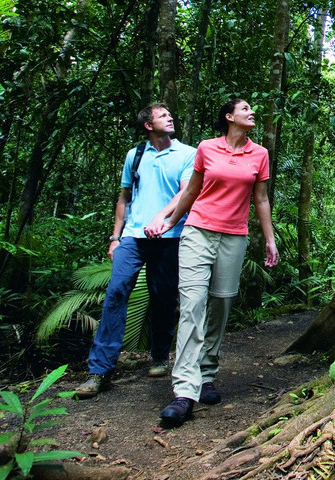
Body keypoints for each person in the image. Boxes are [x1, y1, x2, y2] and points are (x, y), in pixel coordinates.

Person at [145, 98, 279, 427]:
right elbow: (191, 191)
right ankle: (184, 392)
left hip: (234, 237)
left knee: (220, 304)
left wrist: (270, 239)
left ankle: (206, 374)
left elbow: (260, 198)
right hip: (198, 232)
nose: (252, 112)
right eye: (245, 108)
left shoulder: (259, 154)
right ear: (229, 117)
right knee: (192, 304)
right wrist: (169, 220)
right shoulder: (206, 148)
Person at [75, 104, 196, 399]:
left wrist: (165, 222)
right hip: (133, 236)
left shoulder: (187, 153)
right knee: (116, 293)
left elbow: (185, 193)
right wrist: (115, 237)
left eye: (170, 113)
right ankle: (100, 369)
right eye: (163, 115)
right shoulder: (136, 155)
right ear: (148, 125)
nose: (170, 117)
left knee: (163, 297)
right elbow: (124, 198)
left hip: (170, 236)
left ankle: (157, 355)